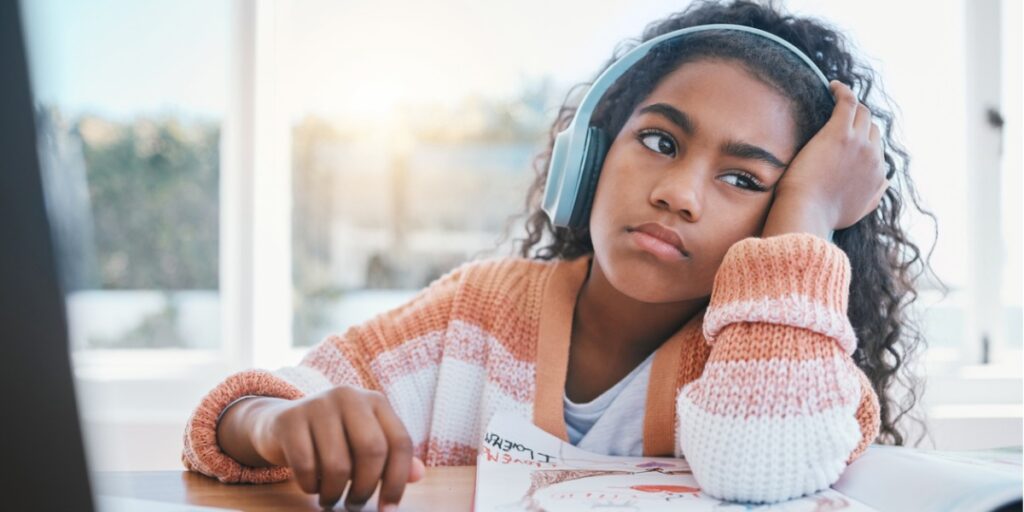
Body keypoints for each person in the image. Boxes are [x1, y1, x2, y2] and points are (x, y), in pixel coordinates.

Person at [182, 1, 934, 509]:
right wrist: (272, 423)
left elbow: (761, 463)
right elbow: (224, 425)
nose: (679, 193)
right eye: (659, 141)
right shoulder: (475, 314)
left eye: (745, 179)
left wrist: (809, 216)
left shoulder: (792, 365)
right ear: (591, 155)